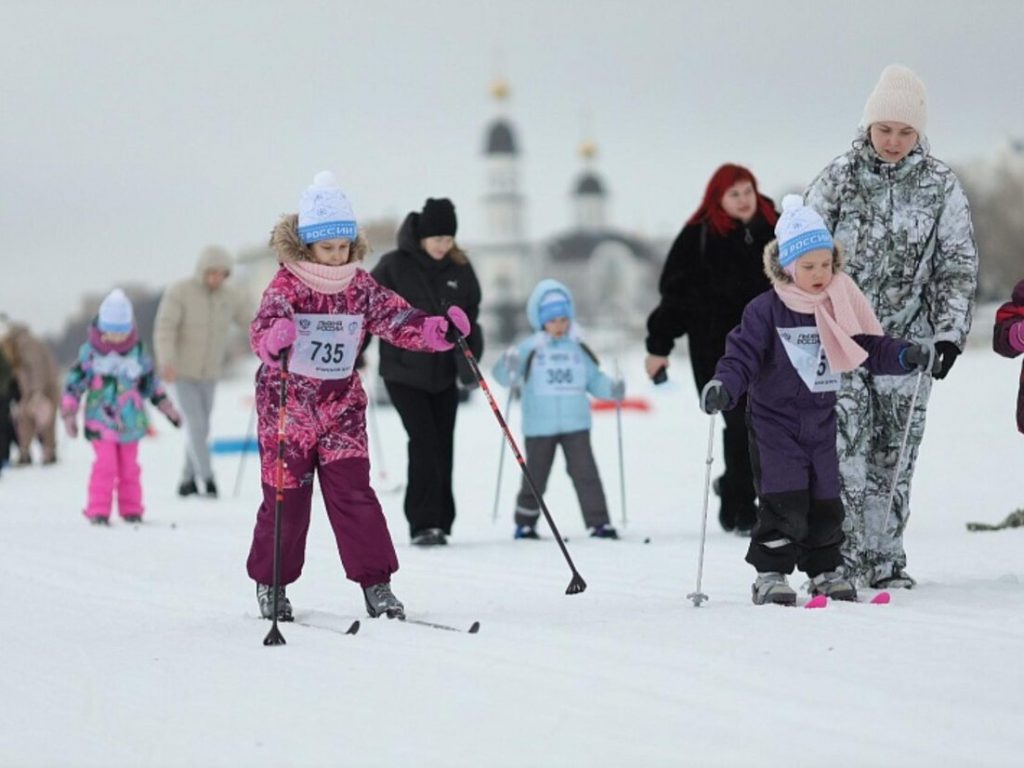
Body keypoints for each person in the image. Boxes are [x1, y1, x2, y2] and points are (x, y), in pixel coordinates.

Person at [247, 171, 470, 622]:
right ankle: (272, 584)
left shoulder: (359, 285)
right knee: (287, 500)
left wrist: (436, 331)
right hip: (287, 407)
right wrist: (274, 338)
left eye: (343, 246)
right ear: (307, 246)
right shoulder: (287, 284)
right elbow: (263, 328)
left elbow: (395, 317)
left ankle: (377, 584)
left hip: (341, 407)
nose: (336, 256)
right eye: (327, 248)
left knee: (355, 495)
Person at [699, 196, 936, 605]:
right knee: (784, 495)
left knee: (826, 497)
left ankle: (825, 569)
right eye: (808, 267)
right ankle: (770, 574)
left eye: (826, 265)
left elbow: (867, 344)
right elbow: (741, 356)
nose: (819, 274)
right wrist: (724, 385)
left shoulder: (837, 302)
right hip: (775, 422)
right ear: (787, 266)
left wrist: (903, 354)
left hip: (821, 420)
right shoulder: (766, 311)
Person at [805, 64, 978, 588]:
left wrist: (948, 334)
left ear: (920, 132)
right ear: (868, 126)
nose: (894, 141)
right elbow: (802, 253)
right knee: (842, 450)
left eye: (906, 132)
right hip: (841, 338)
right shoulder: (838, 177)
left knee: (892, 454)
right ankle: (836, 560)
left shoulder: (941, 185)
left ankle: (883, 560)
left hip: (908, 343)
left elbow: (957, 262)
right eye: (885, 129)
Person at [644, 164, 777, 534]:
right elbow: (676, 297)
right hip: (718, 352)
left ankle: (741, 490)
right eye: (733, 194)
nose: (743, 200)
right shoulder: (698, 237)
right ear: (717, 198)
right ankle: (742, 506)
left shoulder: (778, 228)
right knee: (739, 424)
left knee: (767, 428)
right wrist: (659, 347)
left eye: (747, 191)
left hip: (772, 348)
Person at [370, 197, 483, 547]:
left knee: (442, 445)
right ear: (422, 235)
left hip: (443, 374)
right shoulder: (393, 266)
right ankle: (422, 522)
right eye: (437, 240)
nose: (443, 246)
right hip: (403, 372)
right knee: (424, 441)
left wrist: (470, 363)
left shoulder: (459, 268)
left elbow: (470, 318)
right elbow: (369, 310)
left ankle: (441, 521)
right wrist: (354, 354)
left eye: (448, 240)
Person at [492, 279, 625, 540]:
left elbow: (594, 378)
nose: (559, 325)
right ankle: (525, 523)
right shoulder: (530, 348)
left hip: (577, 424)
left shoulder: (578, 348)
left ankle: (599, 523)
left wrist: (612, 388)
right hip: (539, 426)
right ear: (541, 320)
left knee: (586, 474)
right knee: (535, 476)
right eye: (553, 320)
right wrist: (506, 363)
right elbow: (505, 377)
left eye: (564, 319)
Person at [60, 289, 182, 524]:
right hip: (100, 420)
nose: (117, 338)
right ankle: (98, 510)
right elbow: (74, 384)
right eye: (111, 332)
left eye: (122, 332)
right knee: (105, 466)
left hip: (130, 421)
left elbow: (151, 384)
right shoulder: (90, 354)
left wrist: (167, 408)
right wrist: (69, 412)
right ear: (102, 328)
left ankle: (131, 509)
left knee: (129, 468)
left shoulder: (137, 353)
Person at [154, 245, 252, 498]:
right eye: (212, 272)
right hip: (183, 372)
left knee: (202, 426)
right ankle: (208, 480)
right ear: (202, 271)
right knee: (196, 425)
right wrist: (167, 361)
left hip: (210, 373)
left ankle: (187, 480)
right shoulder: (180, 292)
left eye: (222, 273)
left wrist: (272, 337)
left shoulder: (229, 296)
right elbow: (165, 328)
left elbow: (250, 321)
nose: (216, 278)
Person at [0, 315, 60, 466]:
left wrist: (37, 392)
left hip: (44, 389)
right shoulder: (17, 346)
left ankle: (48, 451)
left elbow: (37, 370)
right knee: (24, 419)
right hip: (31, 391)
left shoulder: (26, 344)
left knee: (45, 421)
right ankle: (25, 452)